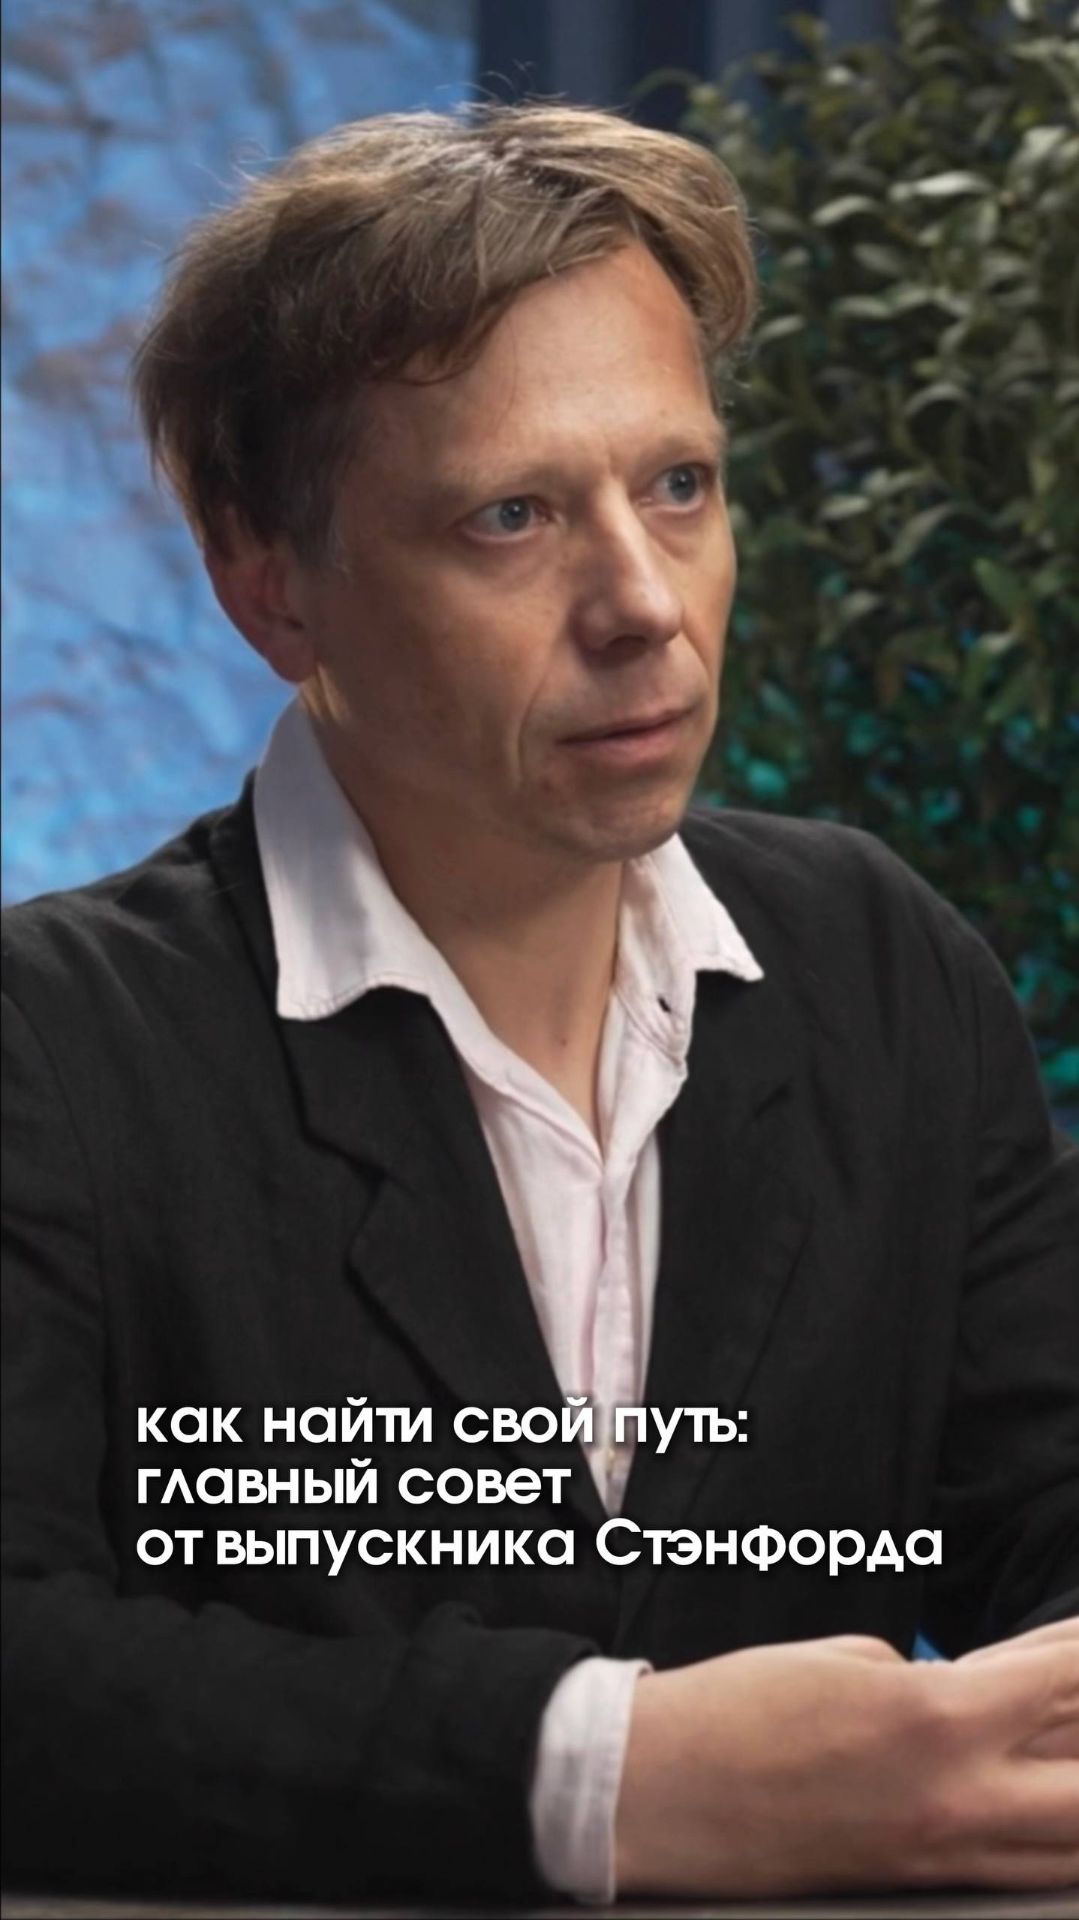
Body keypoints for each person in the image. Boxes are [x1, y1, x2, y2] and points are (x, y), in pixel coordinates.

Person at [2, 101, 1077, 1907]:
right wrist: (600, 1775)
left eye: (681, 486)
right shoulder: (47, 1047)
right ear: (268, 582)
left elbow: (1051, 1504)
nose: (644, 604)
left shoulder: (882, 962)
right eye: (512, 517)